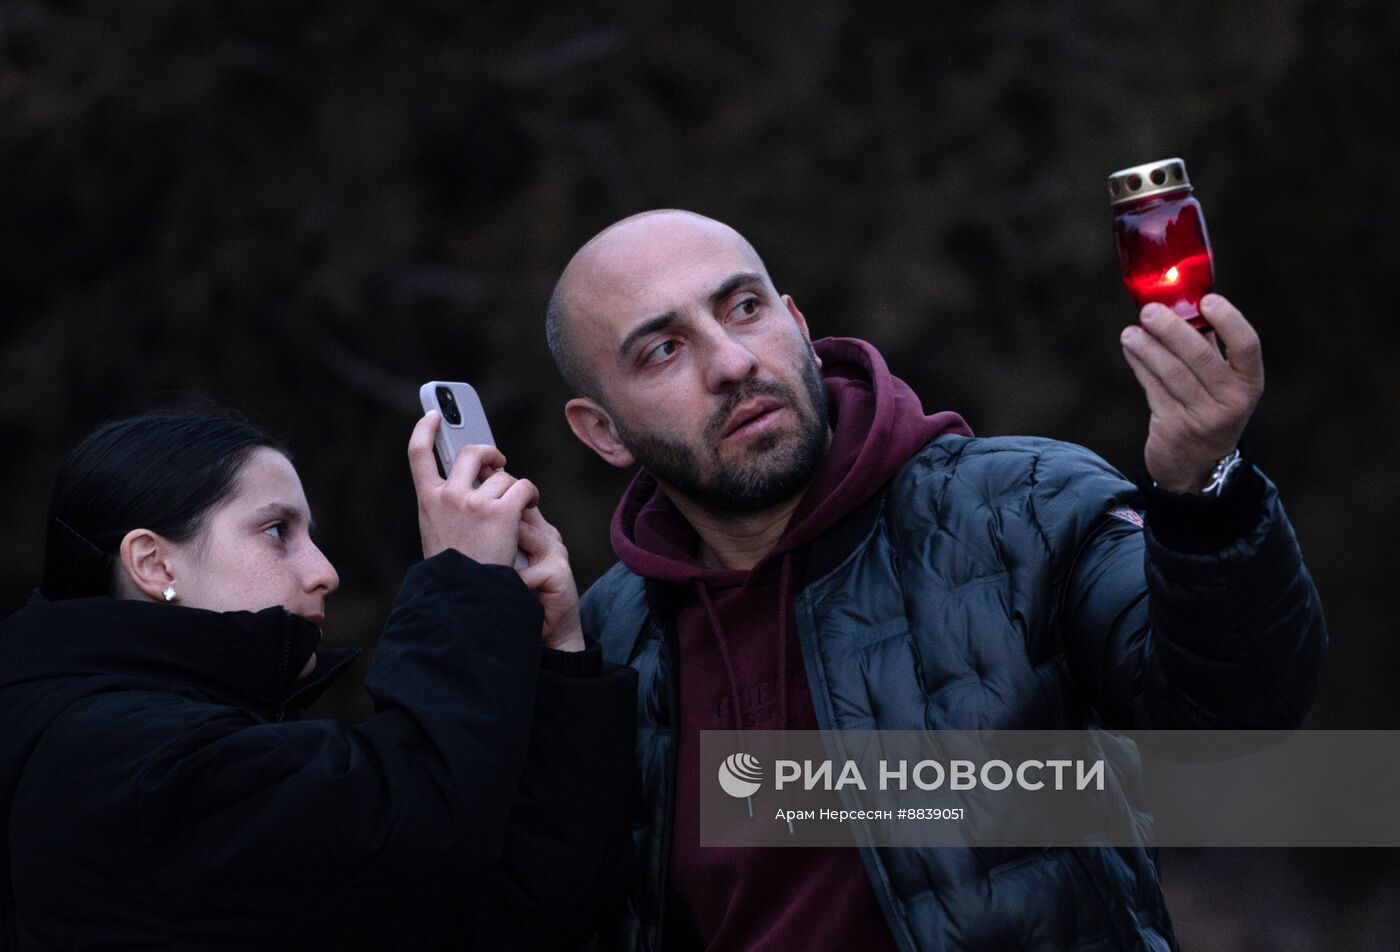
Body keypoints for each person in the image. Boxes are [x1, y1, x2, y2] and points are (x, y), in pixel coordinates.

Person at [544, 209, 1326, 951]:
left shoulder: (1022, 505)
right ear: (602, 430)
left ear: (799, 325)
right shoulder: (610, 641)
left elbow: (1232, 711)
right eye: (663, 350)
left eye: (744, 308)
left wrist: (1205, 493)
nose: (733, 362)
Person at [0, 408, 636, 951]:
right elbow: (418, 831)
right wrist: (463, 580)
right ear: (153, 560)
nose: (324, 571)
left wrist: (557, 653)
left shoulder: (145, 737)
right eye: (278, 531)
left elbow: (512, 917)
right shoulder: (119, 760)